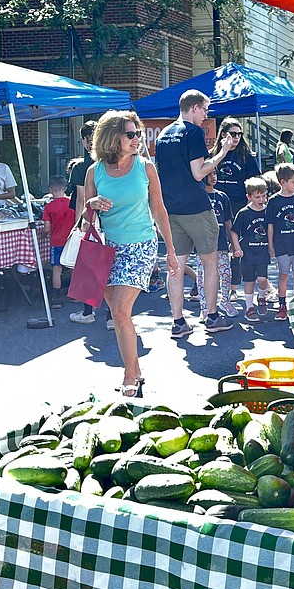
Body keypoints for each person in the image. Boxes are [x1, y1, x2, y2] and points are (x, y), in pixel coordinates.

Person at [84, 110, 179, 396]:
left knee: (122, 310)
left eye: (137, 133)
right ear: (113, 138)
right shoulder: (95, 171)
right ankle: (135, 370)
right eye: (131, 134)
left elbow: (159, 209)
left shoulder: (145, 168)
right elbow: (84, 216)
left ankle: (128, 375)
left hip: (140, 245)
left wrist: (171, 251)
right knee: (117, 313)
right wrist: (92, 202)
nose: (137, 138)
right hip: (106, 248)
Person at [155, 89, 237, 338]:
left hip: (171, 208)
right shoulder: (193, 132)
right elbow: (199, 172)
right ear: (194, 108)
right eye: (205, 110)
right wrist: (222, 153)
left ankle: (178, 321)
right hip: (196, 207)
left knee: (176, 267)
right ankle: (211, 316)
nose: (206, 116)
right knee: (209, 262)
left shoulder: (164, 134)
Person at [214, 117, 261, 302]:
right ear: (223, 134)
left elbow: (255, 180)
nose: (236, 138)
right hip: (217, 203)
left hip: (238, 205)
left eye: (240, 134)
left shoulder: (246, 156)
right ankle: (201, 285)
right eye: (233, 134)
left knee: (236, 247)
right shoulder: (215, 153)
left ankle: (234, 288)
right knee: (214, 246)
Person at [67, 121, 108, 326]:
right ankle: (111, 316)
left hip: (91, 221)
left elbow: (82, 199)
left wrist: (79, 225)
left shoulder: (82, 167)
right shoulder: (112, 162)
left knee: (88, 268)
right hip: (112, 221)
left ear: (84, 140)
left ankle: (87, 312)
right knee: (110, 267)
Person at [266, 163, 294, 321]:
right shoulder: (273, 201)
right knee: (283, 274)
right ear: (283, 182)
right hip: (282, 244)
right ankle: (282, 304)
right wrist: (271, 245)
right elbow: (270, 225)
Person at [197, 170, 239, 321]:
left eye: (214, 174)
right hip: (203, 244)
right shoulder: (198, 195)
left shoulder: (222, 196)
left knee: (225, 274)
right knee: (203, 277)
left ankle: (225, 301)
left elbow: (228, 221)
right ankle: (205, 307)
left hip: (221, 243)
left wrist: (233, 244)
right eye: (209, 174)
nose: (213, 177)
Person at [231, 176, 270, 322]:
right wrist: (237, 247)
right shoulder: (244, 213)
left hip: (263, 251)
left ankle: (261, 297)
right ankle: (249, 307)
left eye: (264, 196)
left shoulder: (268, 211)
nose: (261, 200)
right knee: (249, 281)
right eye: (257, 197)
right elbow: (234, 231)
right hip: (248, 253)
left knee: (262, 279)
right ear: (249, 196)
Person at [42, 175, 74, 309]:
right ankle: (75, 293)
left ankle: (56, 297)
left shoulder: (49, 207)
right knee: (73, 266)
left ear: (50, 190)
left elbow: (46, 228)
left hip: (57, 241)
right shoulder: (72, 203)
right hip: (71, 240)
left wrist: (43, 235)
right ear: (65, 188)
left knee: (57, 268)